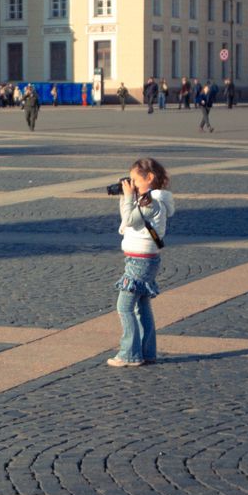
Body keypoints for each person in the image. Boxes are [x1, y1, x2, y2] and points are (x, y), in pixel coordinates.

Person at [107, 157, 174, 367]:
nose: (132, 185)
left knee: (125, 306)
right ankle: (147, 352)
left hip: (140, 261)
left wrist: (128, 197)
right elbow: (128, 220)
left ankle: (129, 354)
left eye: (135, 180)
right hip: (143, 259)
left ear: (150, 178)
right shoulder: (147, 200)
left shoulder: (151, 203)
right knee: (141, 306)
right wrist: (126, 197)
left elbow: (129, 220)